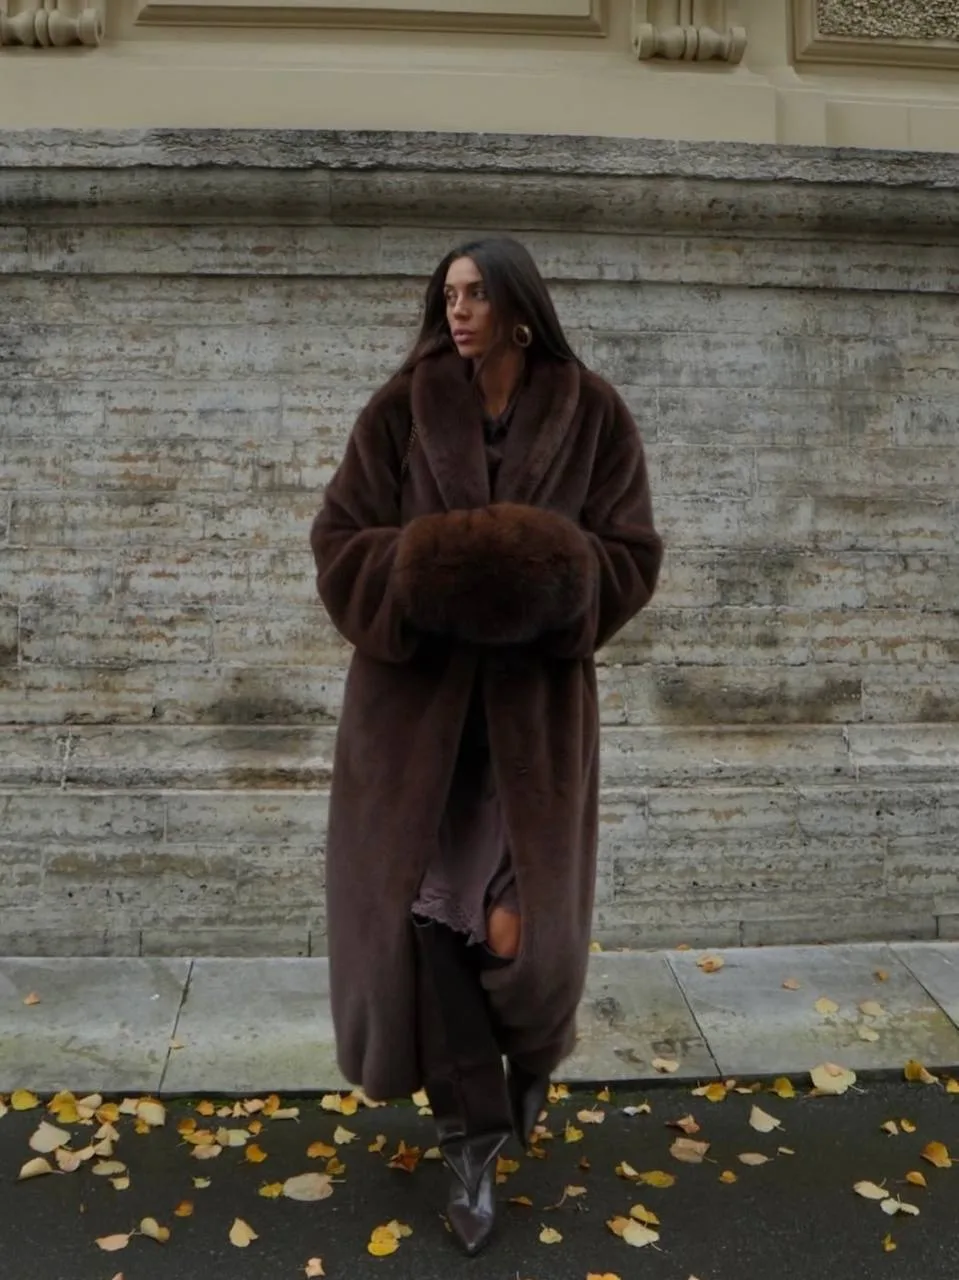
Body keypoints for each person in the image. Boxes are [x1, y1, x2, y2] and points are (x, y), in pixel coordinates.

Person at [309, 236, 662, 1255]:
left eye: (475, 294)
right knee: (424, 926)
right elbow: (338, 546)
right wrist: (432, 568)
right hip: (412, 724)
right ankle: (472, 1139)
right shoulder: (399, 409)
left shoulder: (593, 414)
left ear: (519, 310)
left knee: (518, 935)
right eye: (448, 294)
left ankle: (527, 1058)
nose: (456, 310)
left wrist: (542, 569)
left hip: (528, 727)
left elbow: (630, 557)